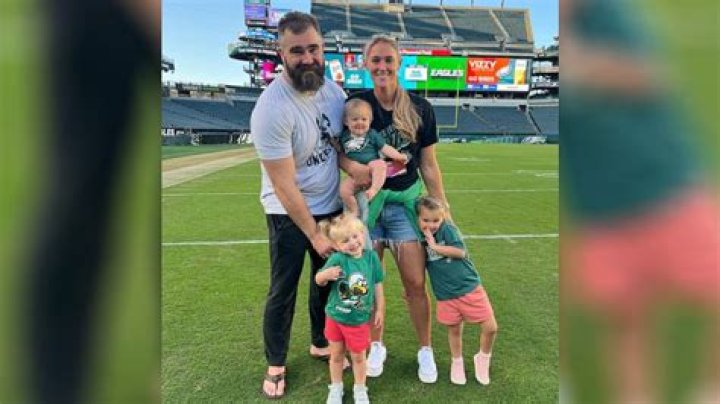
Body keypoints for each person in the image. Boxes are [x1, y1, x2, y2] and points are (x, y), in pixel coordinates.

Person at [250, 12, 362, 399]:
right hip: (288, 211)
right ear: (281, 54)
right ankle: (276, 363)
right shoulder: (271, 109)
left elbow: (339, 147)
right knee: (283, 288)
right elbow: (283, 185)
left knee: (328, 280)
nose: (307, 58)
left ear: (323, 48)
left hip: (329, 206)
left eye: (313, 48)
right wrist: (313, 233)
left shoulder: (333, 93)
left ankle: (320, 341)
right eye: (297, 51)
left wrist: (358, 169)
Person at [345, 34, 450, 383]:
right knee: (365, 280)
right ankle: (376, 345)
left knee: (415, 283)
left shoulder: (420, 108)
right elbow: (341, 152)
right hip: (368, 206)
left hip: (406, 205)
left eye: (388, 59)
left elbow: (429, 164)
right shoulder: (355, 104)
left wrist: (442, 207)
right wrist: (356, 170)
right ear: (366, 64)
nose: (382, 66)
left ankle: (425, 349)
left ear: (399, 63)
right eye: (375, 60)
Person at [416, 196, 498, 385]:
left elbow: (460, 252)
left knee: (490, 327)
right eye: (426, 220)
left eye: (436, 220)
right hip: (445, 295)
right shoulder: (419, 237)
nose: (431, 225)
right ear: (418, 218)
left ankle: (483, 357)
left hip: (469, 287)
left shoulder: (448, 230)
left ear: (442, 217)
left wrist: (434, 246)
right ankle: (457, 361)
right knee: (454, 330)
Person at [315, 214, 385, 404]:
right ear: (337, 245)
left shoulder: (371, 258)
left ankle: (360, 388)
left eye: (355, 236)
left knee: (359, 357)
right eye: (345, 241)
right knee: (336, 355)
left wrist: (380, 310)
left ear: (362, 233)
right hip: (335, 318)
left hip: (358, 320)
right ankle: (335, 387)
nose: (353, 243)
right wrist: (326, 274)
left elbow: (378, 285)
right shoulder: (338, 258)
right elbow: (318, 279)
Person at [338, 98, 408, 218]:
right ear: (346, 121)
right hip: (355, 174)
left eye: (364, 119)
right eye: (355, 119)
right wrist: (334, 144)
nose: (360, 122)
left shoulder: (372, 134)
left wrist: (398, 156)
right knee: (343, 191)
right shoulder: (344, 137)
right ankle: (354, 210)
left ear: (370, 121)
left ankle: (374, 189)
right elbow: (339, 151)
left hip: (371, 166)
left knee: (380, 164)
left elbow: (385, 148)